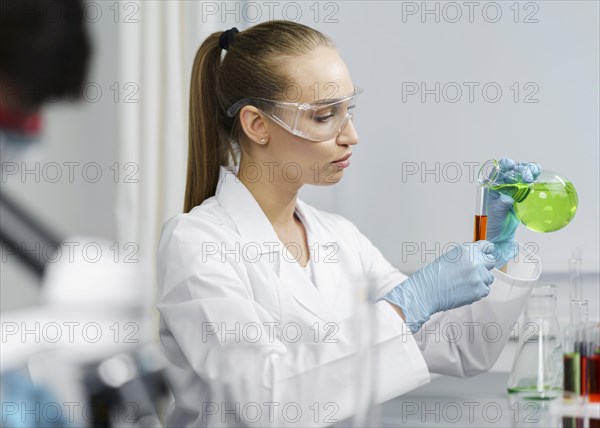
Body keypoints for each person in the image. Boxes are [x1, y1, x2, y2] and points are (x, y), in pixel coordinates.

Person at [156, 20, 541, 427]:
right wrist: (404, 305)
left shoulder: (338, 237)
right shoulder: (196, 243)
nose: (351, 135)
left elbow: (463, 348)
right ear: (257, 125)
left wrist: (498, 255)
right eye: (325, 116)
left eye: (348, 110)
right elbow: (265, 402)